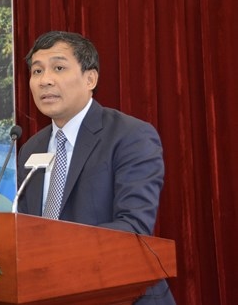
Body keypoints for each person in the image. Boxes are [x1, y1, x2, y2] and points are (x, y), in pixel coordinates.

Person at [16, 31, 175, 305]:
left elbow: (134, 226)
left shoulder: (129, 135)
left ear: (90, 78)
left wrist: (52, 251)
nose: (45, 80)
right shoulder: (31, 148)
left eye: (58, 68)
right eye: (37, 71)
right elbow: (24, 227)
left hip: (121, 294)